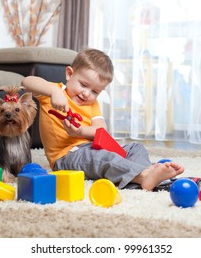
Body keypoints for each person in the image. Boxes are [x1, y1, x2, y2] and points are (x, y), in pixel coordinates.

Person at [21, 48, 184, 190]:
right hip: (67, 157)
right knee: (104, 158)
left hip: (95, 147)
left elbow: (100, 130)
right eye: (84, 85)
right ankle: (143, 175)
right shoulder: (53, 92)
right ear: (69, 74)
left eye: (95, 91)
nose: (87, 94)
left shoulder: (92, 104)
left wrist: (81, 131)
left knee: (135, 148)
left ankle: (146, 172)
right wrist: (54, 92)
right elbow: (27, 81)